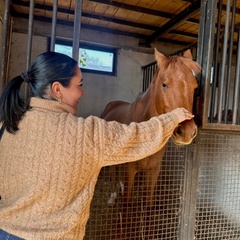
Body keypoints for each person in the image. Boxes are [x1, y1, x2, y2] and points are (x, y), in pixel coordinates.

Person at [0, 51, 194, 240]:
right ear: (57, 90)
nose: (82, 92)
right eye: (79, 85)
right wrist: (173, 118)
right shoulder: (85, 134)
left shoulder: (5, 128)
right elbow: (136, 137)